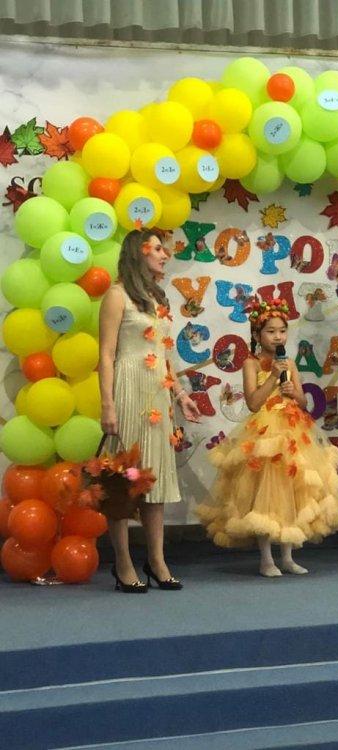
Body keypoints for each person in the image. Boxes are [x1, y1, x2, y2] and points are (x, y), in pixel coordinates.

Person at [197, 297, 338, 577]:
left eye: (282, 330)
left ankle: (288, 556)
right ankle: (266, 558)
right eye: (270, 331)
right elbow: (253, 403)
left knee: (290, 492)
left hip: (292, 431)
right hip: (265, 433)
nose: (277, 336)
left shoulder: (289, 362)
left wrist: (295, 393)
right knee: (263, 495)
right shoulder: (251, 363)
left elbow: (303, 401)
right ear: (257, 335)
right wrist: (272, 378)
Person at [99, 228, 200, 593]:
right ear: (138, 253)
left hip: (157, 395)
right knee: (125, 482)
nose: (164, 254)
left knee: (153, 480)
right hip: (128, 390)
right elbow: (106, 354)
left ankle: (157, 561)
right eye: (157, 248)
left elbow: (164, 353)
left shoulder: (157, 299)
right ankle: (123, 563)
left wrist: (181, 395)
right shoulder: (116, 295)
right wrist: (108, 404)